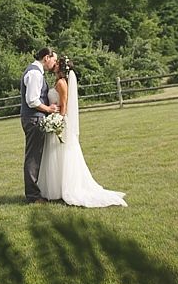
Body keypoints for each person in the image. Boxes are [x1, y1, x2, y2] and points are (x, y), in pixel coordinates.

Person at [37, 55, 127, 208]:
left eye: (57, 63)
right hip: (55, 120)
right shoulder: (58, 81)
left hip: (58, 122)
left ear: (61, 68)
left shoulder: (61, 83)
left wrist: (57, 121)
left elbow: (64, 106)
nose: (54, 65)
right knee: (55, 156)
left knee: (60, 156)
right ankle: (55, 189)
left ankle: (64, 189)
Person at [20, 47, 59, 204]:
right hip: (34, 119)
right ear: (46, 57)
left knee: (35, 156)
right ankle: (33, 196)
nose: (54, 63)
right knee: (33, 158)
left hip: (32, 118)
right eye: (54, 60)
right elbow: (32, 100)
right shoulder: (35, 73)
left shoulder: (35, 71)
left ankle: (36, 192)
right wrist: (48, 109)